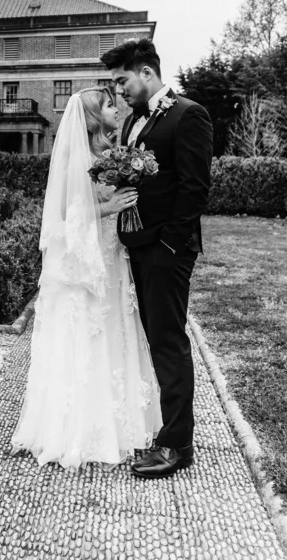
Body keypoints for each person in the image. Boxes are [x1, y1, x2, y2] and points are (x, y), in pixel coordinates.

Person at [10, 87, 161, 468]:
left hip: (113, 256)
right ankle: (77, 430)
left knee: (114, 333)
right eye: (110, 105)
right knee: (86, 334)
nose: (117, 107)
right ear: (94, 116)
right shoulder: (76, 160)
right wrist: (109, 207)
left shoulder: (110, 156)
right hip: (86, 263)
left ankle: (119, 423)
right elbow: (65, 217)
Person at [101, 37, 214, 479]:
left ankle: (177, 445)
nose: (120, 90)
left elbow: (195, 188)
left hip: (166, 252)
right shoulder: (135, 123)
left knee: (168, 343)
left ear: (146, 73)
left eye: (122, 80)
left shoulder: (189, 114)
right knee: (155, 341)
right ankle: (165, 428)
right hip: (140, 248)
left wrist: (168, 243)